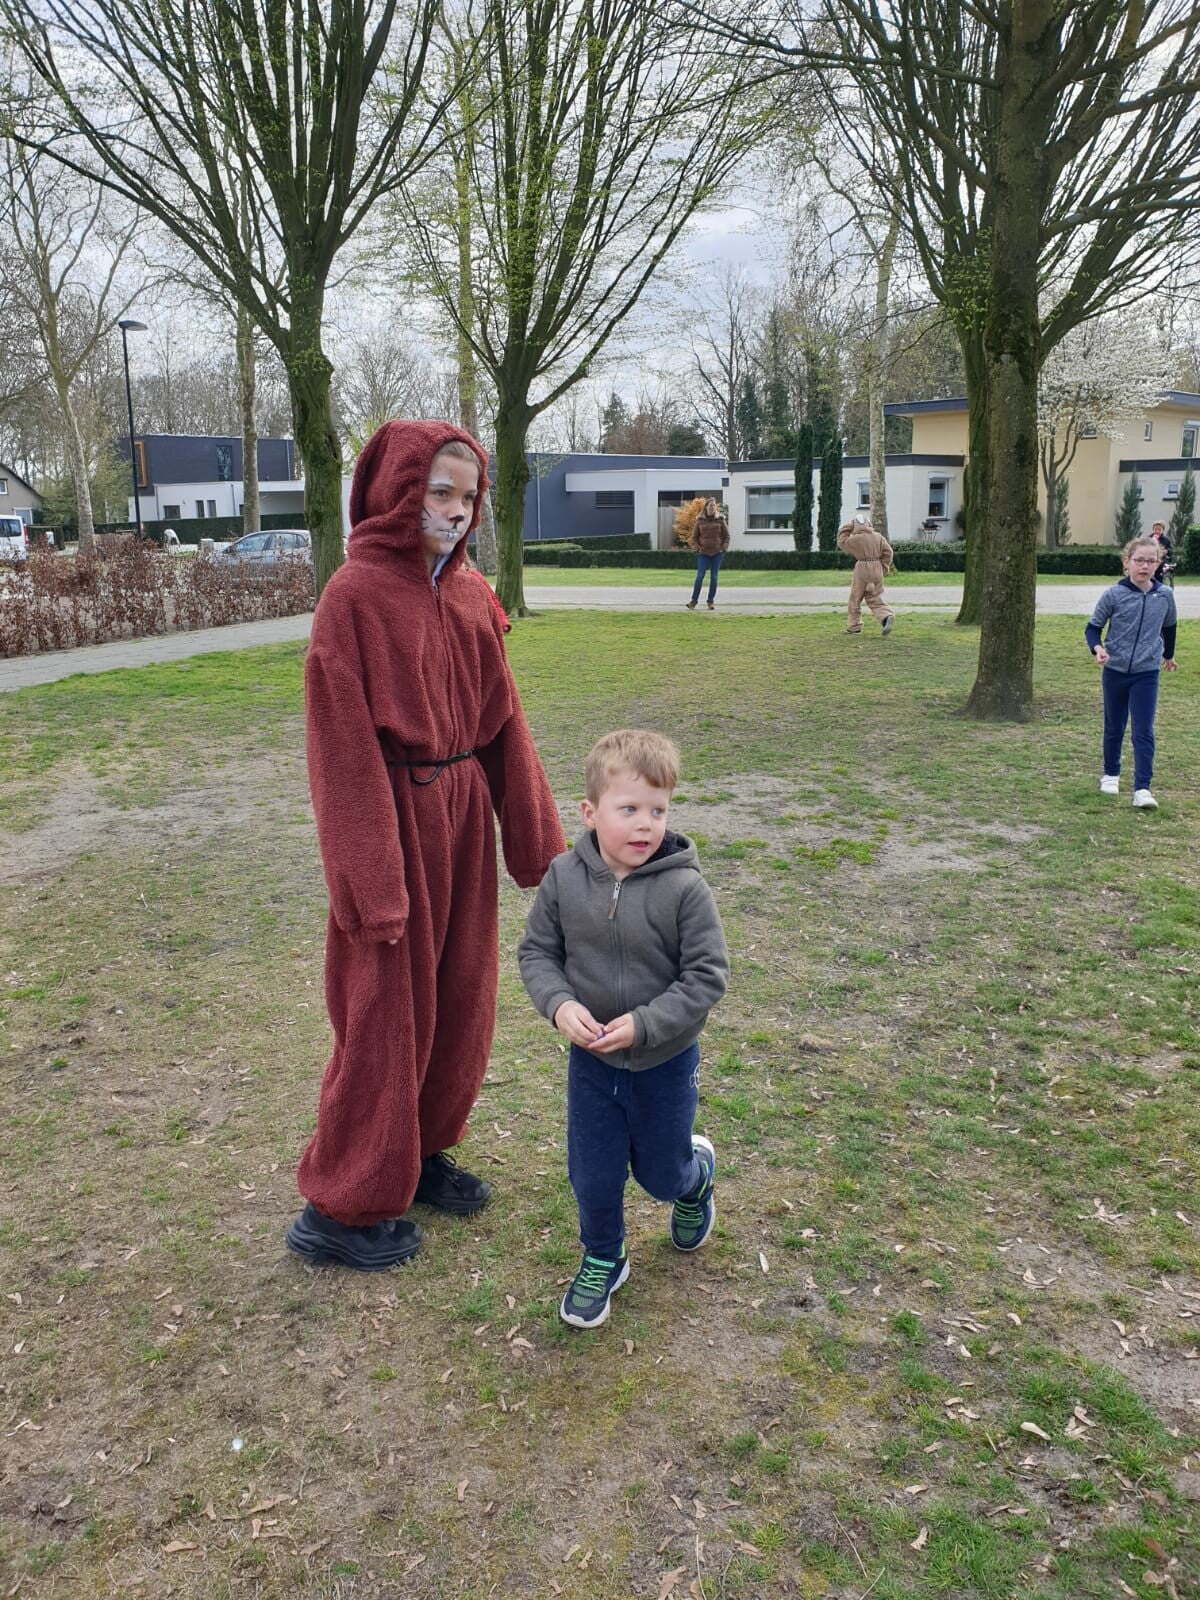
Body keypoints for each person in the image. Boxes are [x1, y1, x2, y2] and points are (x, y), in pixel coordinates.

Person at [285, 420, 567, 1271]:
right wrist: (370, 884)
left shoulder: (473, 595)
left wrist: (538, 844)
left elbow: (503, 720)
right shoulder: (354, 597)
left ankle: (420, 1150)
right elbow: (341, 752)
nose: (455, 509)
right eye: (438, 491)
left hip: (462, 816)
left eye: (467, 495)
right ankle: (341, 1205)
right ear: (396, 490)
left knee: (460, 996)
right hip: (396, 824)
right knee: (384, 1013)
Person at [518, 728, 729, 1328]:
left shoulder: (684, 889)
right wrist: (559, 1005)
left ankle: (695, 1179)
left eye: (658, 810)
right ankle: (604, 1255)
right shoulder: (563, 878)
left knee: (661, 1174)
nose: (645, 825)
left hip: (665, 1063)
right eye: (629, 809)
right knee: (593, 1172)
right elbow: (537, 953)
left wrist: (645, 1024)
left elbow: (707, 976)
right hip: (591, 1063)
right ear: (590, 813)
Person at [1086, 536, 1178, 810]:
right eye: (1139, 560)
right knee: (1114, 726)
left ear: (1158, 564)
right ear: (1127, 562)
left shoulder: (1165, 595)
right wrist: (1098, 648)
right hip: (1115, 670)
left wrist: (1168, 655)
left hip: (1146, 672)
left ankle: (1142, 789)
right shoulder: (1114, 594)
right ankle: (1111, 775)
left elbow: (1169, 627)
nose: (1145, 566)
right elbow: (1093, 628)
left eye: (1151, 561)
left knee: (1143, 730)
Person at [837, 516, 894, 635]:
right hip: (877, 568)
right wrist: (883, 567)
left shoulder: (855, 540)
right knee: (874, 598)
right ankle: (885, 616)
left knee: (855, 599)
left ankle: (854, 627)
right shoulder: (878, 537)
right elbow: (888, 552)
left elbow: (841, 541)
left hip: (862, 569)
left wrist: (849, 526)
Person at [686, 497, 730, 611]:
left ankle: (710, 601)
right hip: (703, 553)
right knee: (699, 577)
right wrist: (697, 548)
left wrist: (723, 548)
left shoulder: (720, 520)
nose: (712, 507)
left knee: (714, 578)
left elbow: (727, 536)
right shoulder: (700, 521)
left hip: (717, 553)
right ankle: (693, 601)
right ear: (706, 507)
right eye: (710, 505)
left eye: (714, 506)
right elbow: (694, 538)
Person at [1149, 520, 1173, 584]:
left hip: (1161, 560)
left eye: (1159, 529)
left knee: (1159, 573)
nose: (1157, 531)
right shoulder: (1149, 538)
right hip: (1150, 559)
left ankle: (1159, 584)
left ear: (1162, 530)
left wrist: (1166, 551)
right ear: (1153, 529)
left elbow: (1170, 550)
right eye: (1155, 529)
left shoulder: (1166, 539)